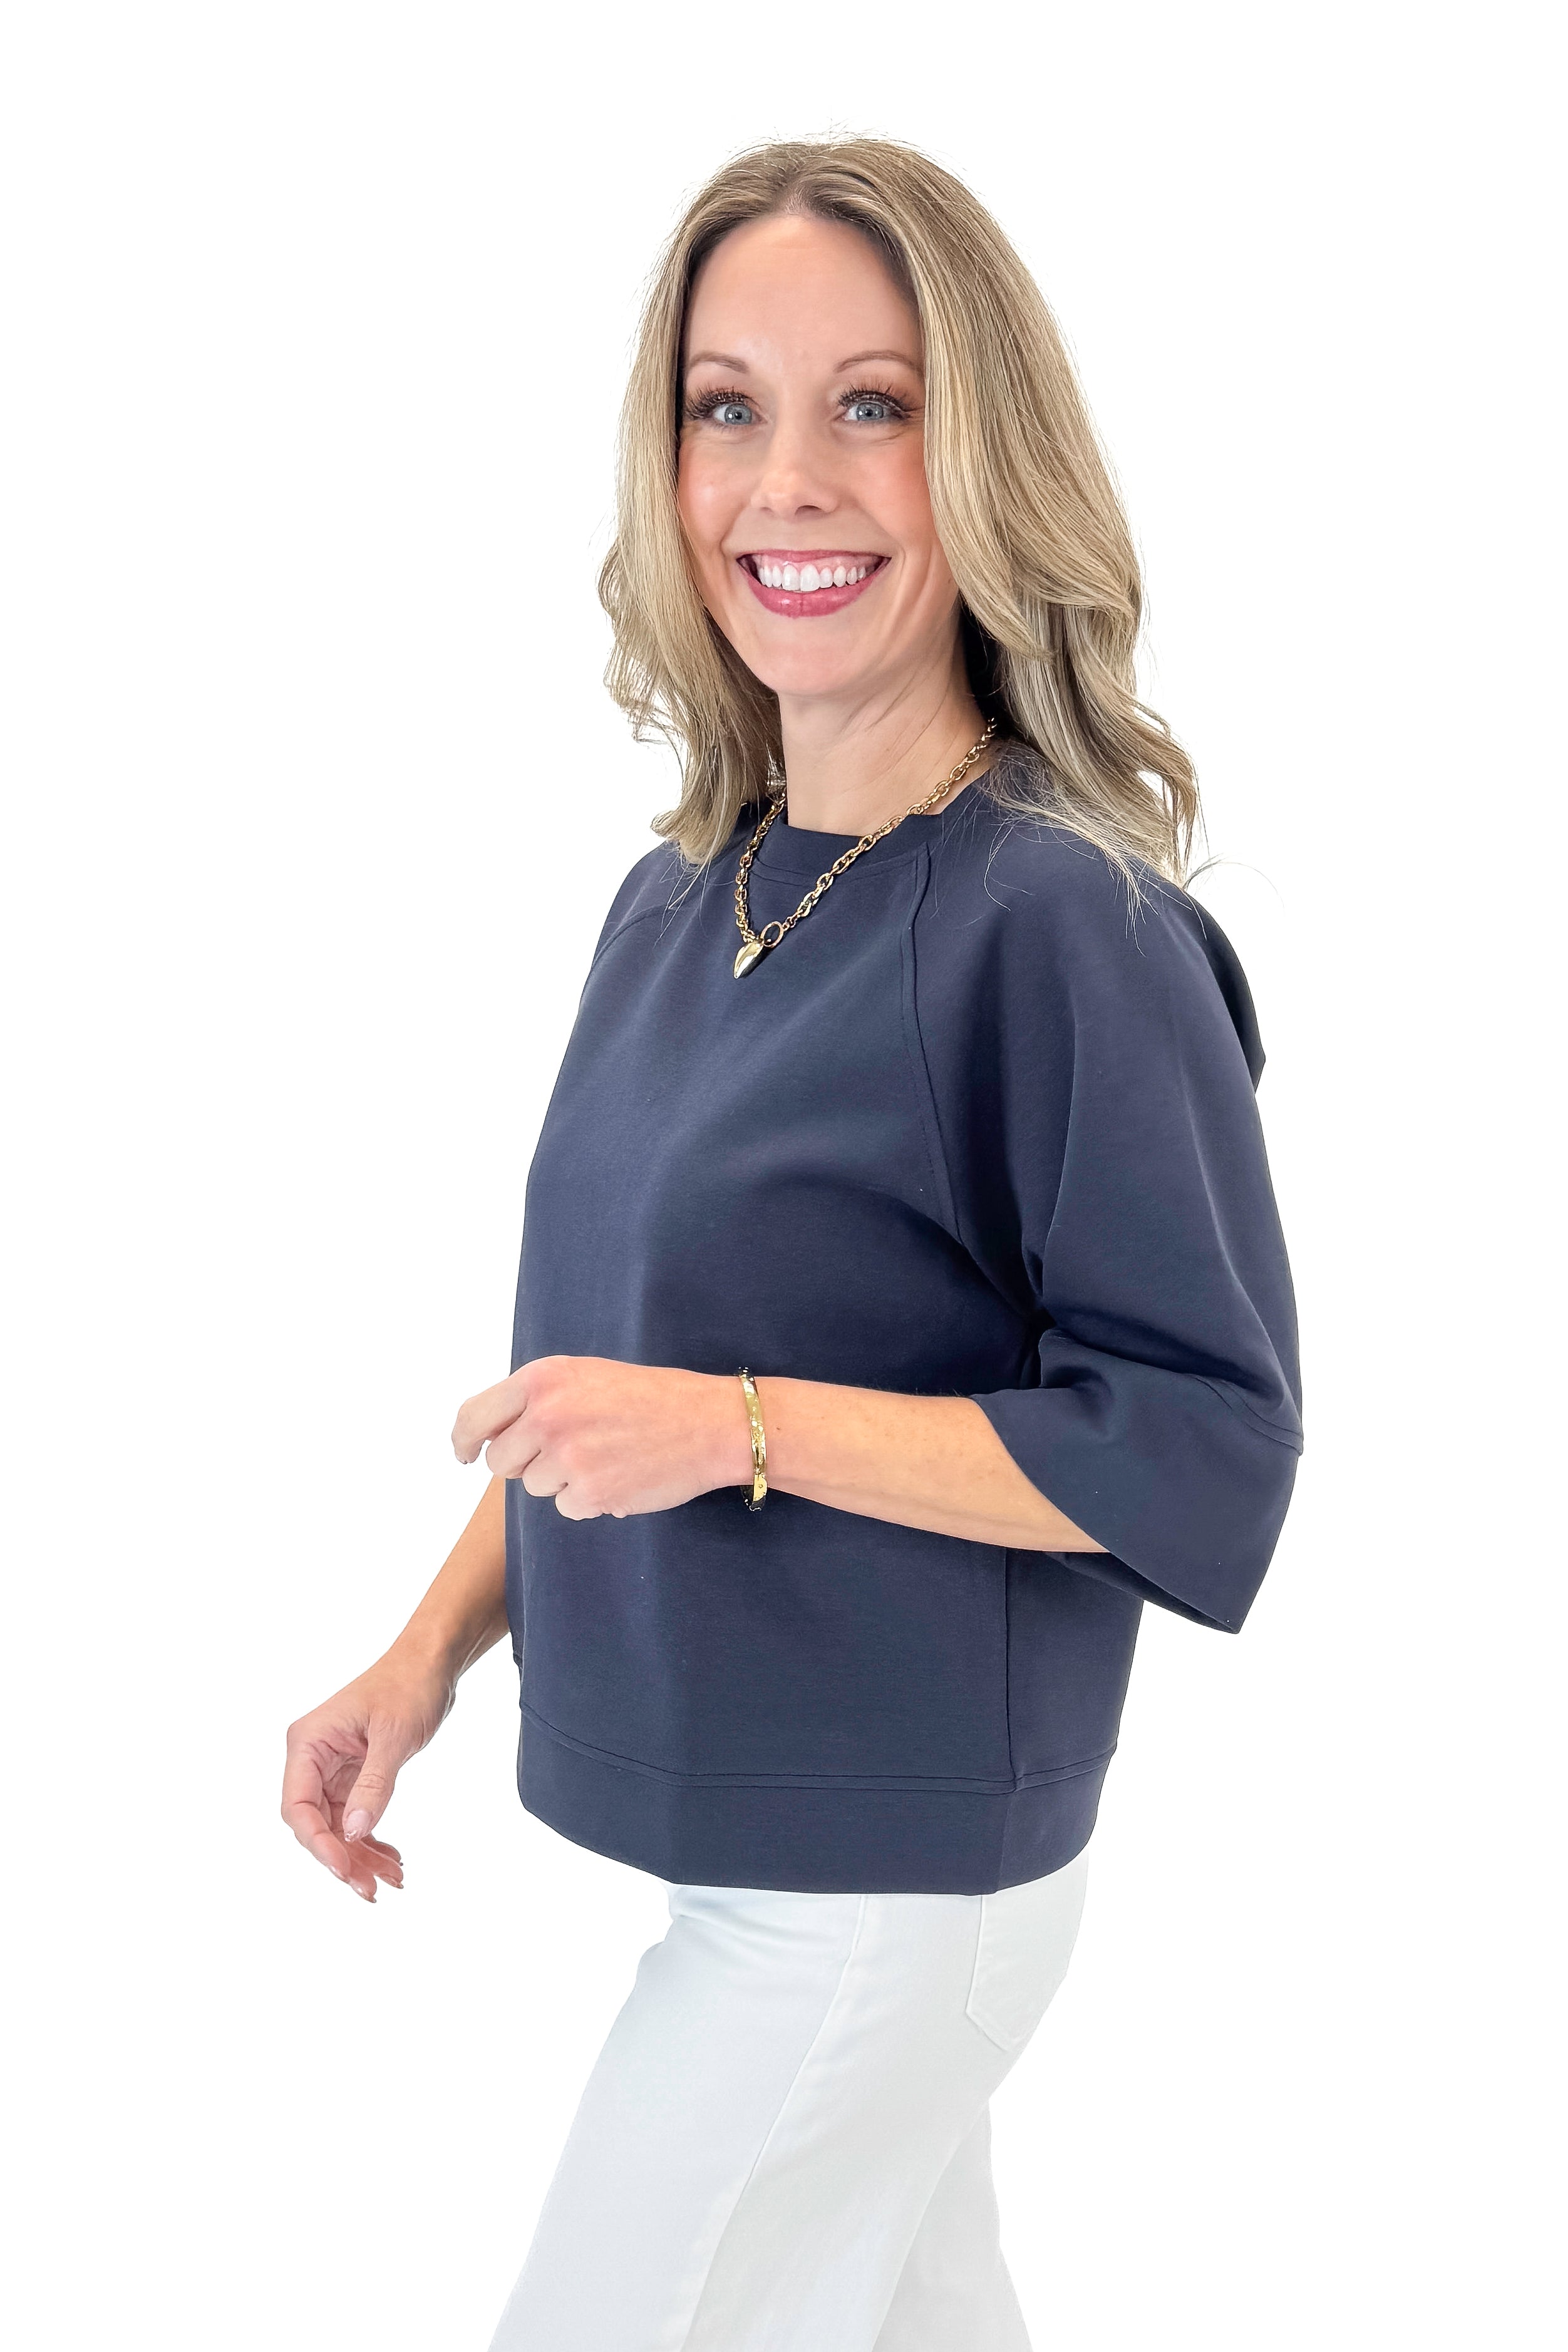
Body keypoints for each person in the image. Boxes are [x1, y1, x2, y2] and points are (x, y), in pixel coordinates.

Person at [282, 137, 1301, 2349]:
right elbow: (605, 1387)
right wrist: (425, 1653)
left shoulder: (1067, 925)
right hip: (767, 1851)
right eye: (726, 404)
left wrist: (746, 1428)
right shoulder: (684, 897)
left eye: (876, 401)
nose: (788, 481)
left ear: (988, 448)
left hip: (878, 1894)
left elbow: (1198, 1444)